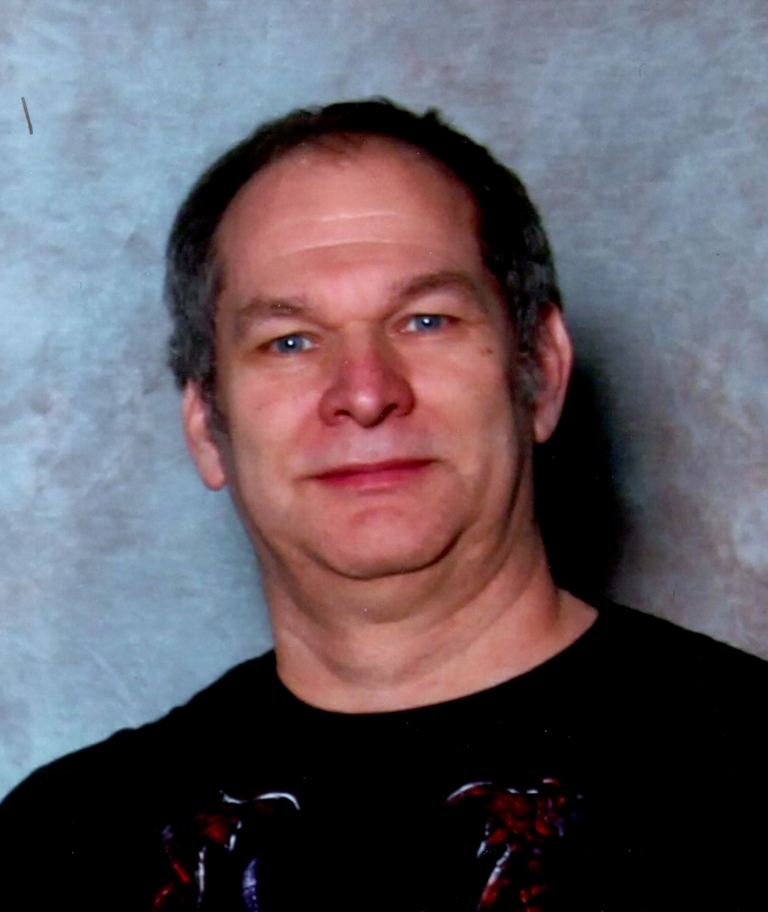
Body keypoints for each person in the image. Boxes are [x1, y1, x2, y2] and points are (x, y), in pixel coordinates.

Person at [1, 99, 766, 911]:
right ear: (205, 426)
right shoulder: (63, 848)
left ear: (540, 372)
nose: (365, 394)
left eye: (426, 321)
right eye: (289, 341)